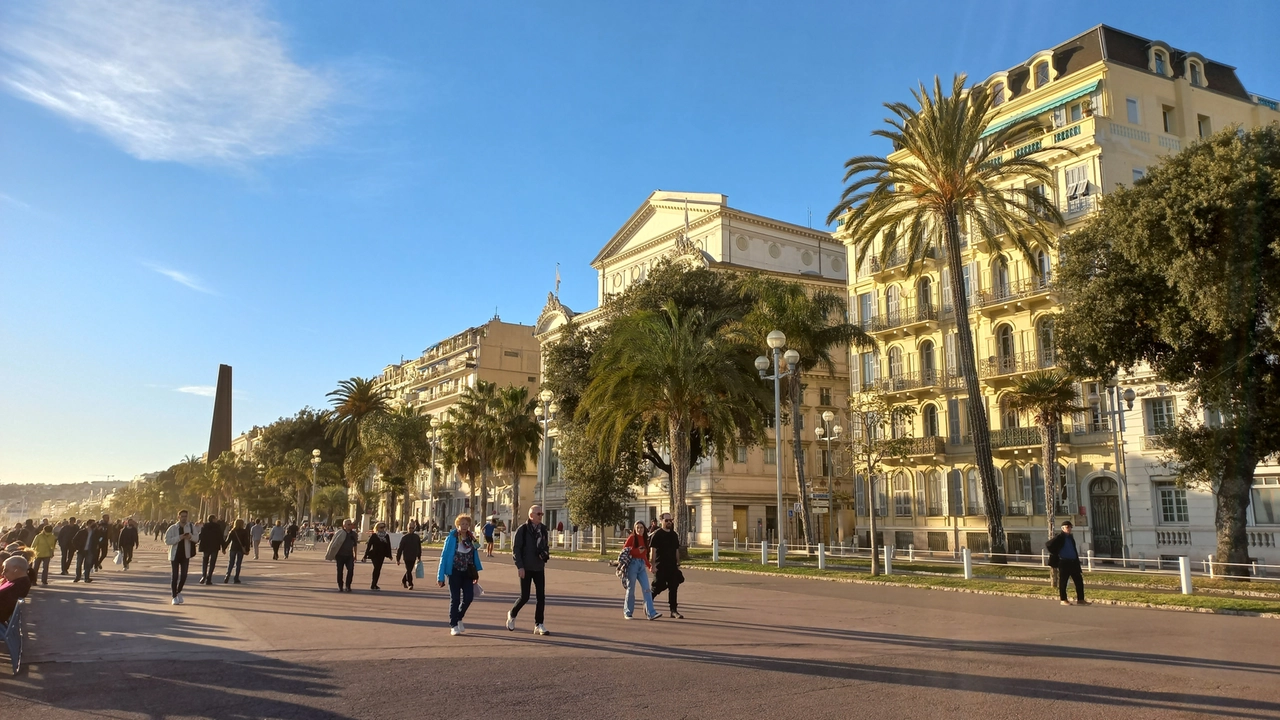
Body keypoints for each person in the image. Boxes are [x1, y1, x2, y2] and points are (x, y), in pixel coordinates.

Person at [436, 514, 483, 635]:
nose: (464, 526)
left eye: (467, 524)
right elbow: (444, 557)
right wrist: (440, 577)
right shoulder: (452, 538)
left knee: (469, 597)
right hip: (454, 572)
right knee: (455, 599)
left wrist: (475, 574)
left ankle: (459, 617)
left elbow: (474, 557)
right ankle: (454, 625)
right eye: (462, 524)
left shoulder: (471, 538)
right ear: (458, 525)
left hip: (467, 572)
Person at [507, 504, 550, 635]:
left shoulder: (543, 529)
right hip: (525, 568)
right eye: (538, 514)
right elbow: (516, 549)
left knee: (541, 597)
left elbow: (545, 545)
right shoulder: (523, 530)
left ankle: (539, 624)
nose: (541, 516)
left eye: (542, 514)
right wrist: (520, 566)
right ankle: (512, 613)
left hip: (538, 567)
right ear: (531, 515)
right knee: (525, 596)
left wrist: (545, 554)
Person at [621, 520, 661, 620]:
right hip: (632, 565)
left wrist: (649, 566)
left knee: (647, 589)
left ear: (644, 528)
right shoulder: (632, 537)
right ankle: (628, 612)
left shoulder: (645, 539)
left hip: (641, 565)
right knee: (631, 589)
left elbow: (644, 556)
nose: (639, 529)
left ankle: (651, 613)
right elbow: (625, 550)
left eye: (641, 527)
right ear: (634, 528)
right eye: (637, 527)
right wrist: (636, 551)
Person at [648, 513, 684, 619]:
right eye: (666, 520)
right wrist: (652, 565)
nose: (669, 522)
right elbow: (652, 551)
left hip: (672, 566)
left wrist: (678, 563)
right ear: (661, 521)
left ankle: (673, 610)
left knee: (674, 587)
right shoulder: (657, 535)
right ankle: (647, 602)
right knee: (658, 586)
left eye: (670, 520)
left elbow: (676, 550)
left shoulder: (674, 535)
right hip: (660, 566)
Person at [1046, 520, 1089, 606]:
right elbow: (1048, 544)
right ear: (1062, 528)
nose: (1069, 529)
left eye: (1070, 527)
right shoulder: (1060, 537)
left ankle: (1080, 599)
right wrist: (1055, 553)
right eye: (1067, 527)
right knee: (1063, 582)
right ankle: (1063, 599)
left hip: (1073, 562)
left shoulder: (1071, 538)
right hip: (1064, 562)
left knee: (1079, 581)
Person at [165, 511, 197, 605]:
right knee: (175, 576)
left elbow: (197, 538)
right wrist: (180, 537)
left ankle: (178, 591)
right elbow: (167, 540)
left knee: (184, 576)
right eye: (182, 516)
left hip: (185, 555)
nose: (184, 518)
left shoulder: (191, 527)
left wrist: (190, 536)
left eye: (185, 516)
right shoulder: (173, 528)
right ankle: (174, 596)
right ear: (178, 517)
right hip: (174, 555)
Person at [324, 519, 359, 592]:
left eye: (351, 524)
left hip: (349, 555)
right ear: (344, 526)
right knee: (340, 571)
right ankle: (340, 585)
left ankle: (348, 586)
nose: (350, 526)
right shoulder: (340, 533)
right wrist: (331, 553)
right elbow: (333, 543)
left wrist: (355, 555)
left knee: (351, 570)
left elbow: (355, 545)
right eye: (348, 524)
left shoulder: (354, 534)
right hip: (340, 555)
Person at [0, 556, 32, 626]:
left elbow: (5, 607)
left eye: (6, 570)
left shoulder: (20, 584)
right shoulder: (16, 582)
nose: (3, 573)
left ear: (16, 569)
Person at [72, 519, 105, 583]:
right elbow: (74, 540)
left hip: (90, 551)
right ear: (88, 524)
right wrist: (77, 547)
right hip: (81, 551)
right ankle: (77, 577)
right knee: (79, 564)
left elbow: (101, 538)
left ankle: (86, 578)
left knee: (88, 564)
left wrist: (98, 543)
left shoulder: (95, 533)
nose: (94, 525)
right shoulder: (82, 532)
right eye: (92, 524)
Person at [363, 522, 393, 590]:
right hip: (374, 555)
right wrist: (365, 556)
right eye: (381, 527)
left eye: (383, 527)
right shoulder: (374, 536)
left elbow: (388, 546)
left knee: (378, 569)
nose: (383, 529)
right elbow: (369, 546)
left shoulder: (386, 536)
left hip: (381, 555)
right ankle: (373, 584)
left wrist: (390, 555)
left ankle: (375, 584)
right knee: (376, 568)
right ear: (377, 528)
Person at [223, 519, 251, 584]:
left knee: (231, 563)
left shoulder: (232, 531)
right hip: (240, 549)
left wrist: (224, 548)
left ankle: (227, 575)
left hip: (232, 548)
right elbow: (247, 541)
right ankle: (236, 578)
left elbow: (228, 541)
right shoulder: (244, 532)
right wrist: (247, 549)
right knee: (238, 564)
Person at [197, 515, 223, 585]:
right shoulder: (217, 527)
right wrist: (223, 547)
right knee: (212, 563)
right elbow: (220, 537)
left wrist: (196, 541)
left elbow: (201, 536)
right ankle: (209, 578)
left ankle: (203, 576)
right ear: (213, 519)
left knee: (205, 562)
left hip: (206, 546)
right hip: (214, 547)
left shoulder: (205, 527)